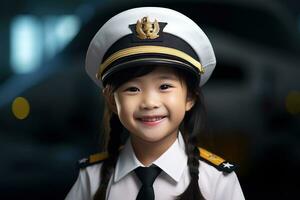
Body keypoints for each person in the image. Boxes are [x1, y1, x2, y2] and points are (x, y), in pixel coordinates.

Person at [65, 7, 245, 200]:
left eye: (165, 86)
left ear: (190, 97)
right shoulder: (90, 179)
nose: (149, 102)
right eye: (133, 89)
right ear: (111, 100)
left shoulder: (218, 181)